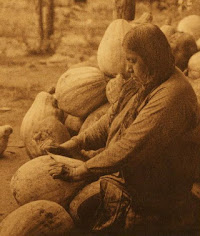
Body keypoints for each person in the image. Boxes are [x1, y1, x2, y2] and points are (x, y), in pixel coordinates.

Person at [45, 23, 200, 234]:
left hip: (158, 192)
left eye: (133, 61)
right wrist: (74, 143)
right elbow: (111, 120)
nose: (128, 68)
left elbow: (131, 145)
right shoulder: (148, 78)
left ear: (152, 58)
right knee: (80, 210)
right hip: (132, 177)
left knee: (83, 214)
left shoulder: (173, 95)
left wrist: (78, 171)